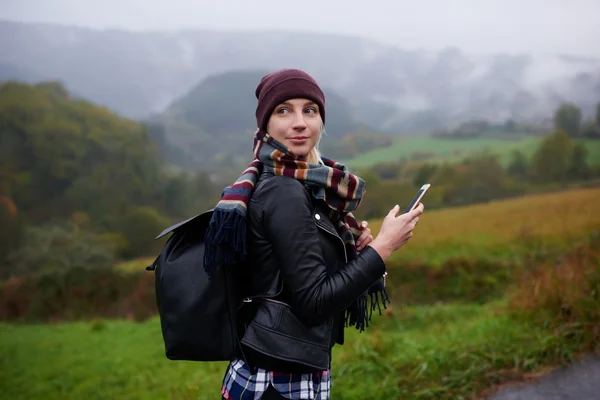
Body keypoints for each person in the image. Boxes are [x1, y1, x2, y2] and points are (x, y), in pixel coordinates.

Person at [203, 68, 424, 400]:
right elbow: (314, 303)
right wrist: (383, 248)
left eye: (310, 110)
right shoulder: (284, 192)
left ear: (321, 120)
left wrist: (352, 248)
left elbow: (297, 274)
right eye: (283, 110)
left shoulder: (307, 186)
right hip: (277, 381)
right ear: (265, 125)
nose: (299, 122)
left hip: (278, 367)